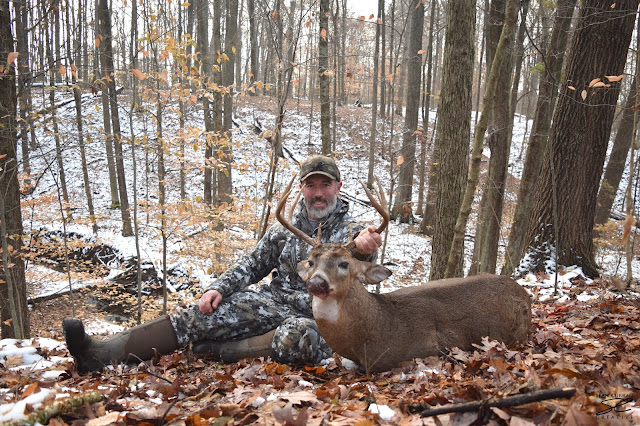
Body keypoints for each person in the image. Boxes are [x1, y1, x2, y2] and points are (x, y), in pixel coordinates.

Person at [63, 155, 383, 373]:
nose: (318, 193)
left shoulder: (352, 233)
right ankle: (101, 353)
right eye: (311, 185)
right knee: (204, 314)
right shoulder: (283, 230)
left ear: (338, 188)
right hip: (274, 302)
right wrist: (218, 288)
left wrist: (365, 251)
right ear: (301, 189)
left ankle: (215, 350)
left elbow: (363, 274)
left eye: (325, 185)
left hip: (322, 317)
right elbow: (251, 265)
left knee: (295, 338)